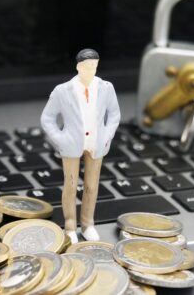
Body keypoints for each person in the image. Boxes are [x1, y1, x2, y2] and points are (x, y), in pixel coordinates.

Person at [40, 48, 121, 244]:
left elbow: (114, 115)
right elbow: (47, 118)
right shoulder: (62, 90)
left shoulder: (106, 88)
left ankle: (88, 224)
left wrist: (107, 136)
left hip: (96, 144)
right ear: (78, 67)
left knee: (92, 186)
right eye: (87, 66)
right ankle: (70, 226)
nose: (91, 70)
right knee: (70, 185)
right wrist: (60, 139)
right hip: (71, 144)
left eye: (94, 66)